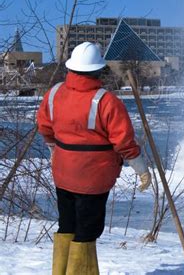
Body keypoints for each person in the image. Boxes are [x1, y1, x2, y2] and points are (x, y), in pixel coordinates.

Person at [37, 42, 151, 275]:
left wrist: (54, 152)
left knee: (67, 224)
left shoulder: (55, 93)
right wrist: (142, 169)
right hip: (93, 179)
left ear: (72, 68)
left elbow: (45, 127)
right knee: (87, 230)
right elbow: (124, 142)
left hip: (63, 174)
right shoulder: (106, 101)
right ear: (98, 71)